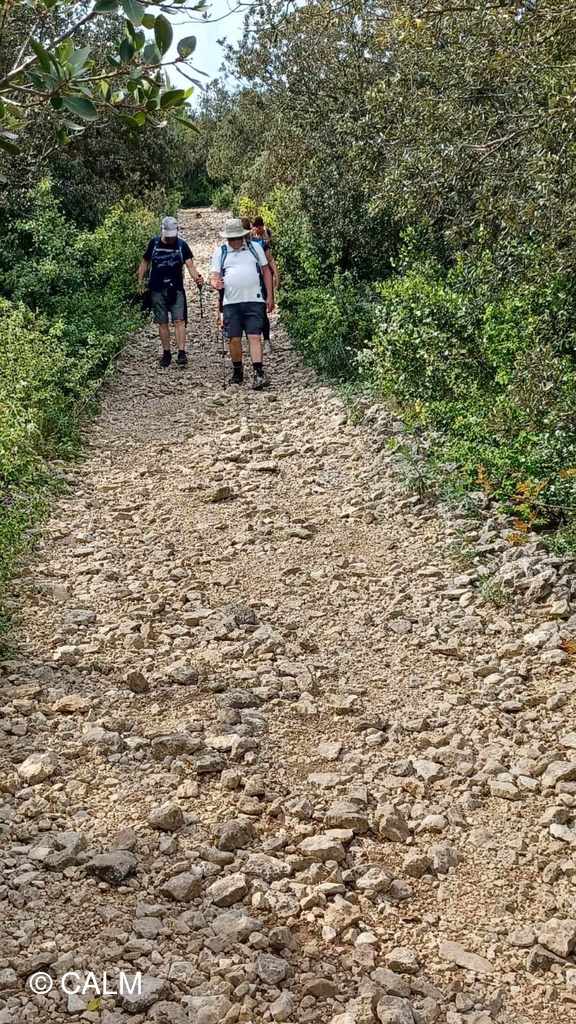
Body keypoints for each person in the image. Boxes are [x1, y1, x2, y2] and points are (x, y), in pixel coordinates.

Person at [210, 217, 274, 390]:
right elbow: (214, 276)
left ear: (242, 235)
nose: (235, 241)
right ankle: (238, 370)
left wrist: (270, 296)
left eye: (237, 237)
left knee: (254, 336)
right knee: (234, 338)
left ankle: (258, 372)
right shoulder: (221, 252)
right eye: (231, 238)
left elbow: (266, 271)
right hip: (231, 302)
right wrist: (216, 283)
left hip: (255, 299)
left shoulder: (255, 248)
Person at [138, 216, 204, 368]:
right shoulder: (154, 243)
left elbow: (190, 266)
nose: (170, 239)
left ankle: (181, 352)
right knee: (162, 322)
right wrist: (140, 281)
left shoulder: (182, 245)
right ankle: (166, 352)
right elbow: (145, 262)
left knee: (179, 320)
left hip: (176, 289)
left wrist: (197, 278)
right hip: (156, 289)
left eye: (172, 236)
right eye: (168, 236)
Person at [250, 216, 279, 348]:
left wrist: (276, 275)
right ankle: (255, 340)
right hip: (250, 283)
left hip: (261, 279)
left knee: (261, 311)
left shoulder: (261, 243)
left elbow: (270, 260)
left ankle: (266, 339)